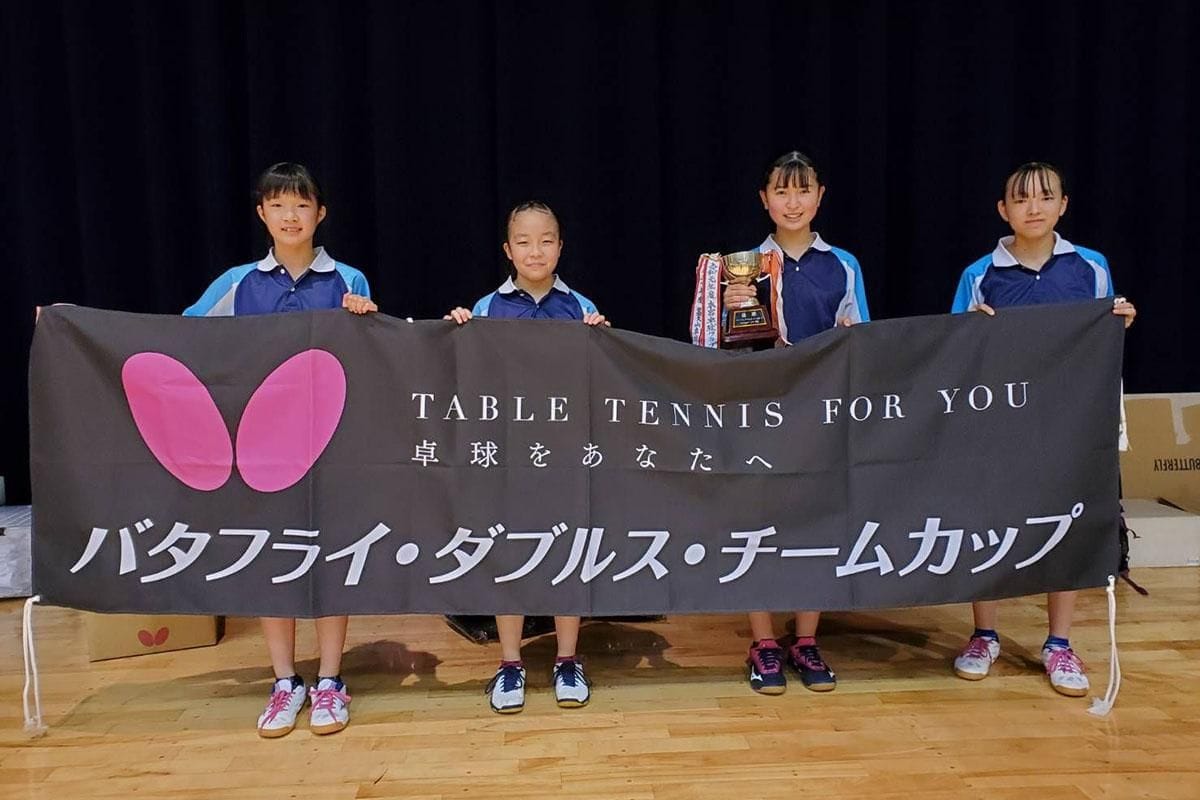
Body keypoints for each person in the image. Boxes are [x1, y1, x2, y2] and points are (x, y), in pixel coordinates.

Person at [186, 162, 376, 737]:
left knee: (330, 557)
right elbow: (182, 338)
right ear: (262, 214)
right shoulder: (237, 282)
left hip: (332, 447)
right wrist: (73, 326)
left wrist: (367, 322)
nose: (291, 216)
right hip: (261, 451)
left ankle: (331, 680)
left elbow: (374, 359)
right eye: (278, 205)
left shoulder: (349, 279)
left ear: (321, 213)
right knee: (273, 558)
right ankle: (285, 681)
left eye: (301, 205)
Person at [950, 161, 1136, 697]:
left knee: (1064, 522)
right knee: (987, 524)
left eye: (1045, 197)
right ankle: (984, 634)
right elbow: (952, 349)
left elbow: (1102, 336)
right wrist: (969, 330)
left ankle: (1059, 642)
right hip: (998, 425)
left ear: (1063, 205)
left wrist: (1120, 320)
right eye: (1021, 199)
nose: (1033, 208)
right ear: (1003, 210)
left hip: (1068, 422)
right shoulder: (979, 273)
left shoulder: (1091, 267)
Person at [692, 151, 869, 695]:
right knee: (757, 525)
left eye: (803, 190)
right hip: (760, 416)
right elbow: (714, 352)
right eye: (781, 192)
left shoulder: (844, 264)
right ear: (764, 199)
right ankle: (764, 642)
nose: (793, 203)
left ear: (820, 196)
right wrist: (730, 308)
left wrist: (848, 341)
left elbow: (861, 341)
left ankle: (807, 639)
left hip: (820, 417)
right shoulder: (740, 266)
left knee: (817, 524)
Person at [446, 200, 607, 713]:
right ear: (508, 250)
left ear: (560, 247)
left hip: (565, 455)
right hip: (507, 456)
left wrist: (604, 343)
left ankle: (567, 658)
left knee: (567, 553)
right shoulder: (486, 309)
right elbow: (463, 379)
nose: (535, 251)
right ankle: (510, 661)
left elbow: (602, 383)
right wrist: (456, 334)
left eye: (545, 241)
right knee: (509, 552)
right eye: (524, 242)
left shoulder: (580, 307)